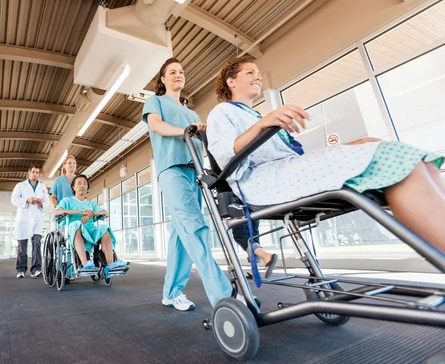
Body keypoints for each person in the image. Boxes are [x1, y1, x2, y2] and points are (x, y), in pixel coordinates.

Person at [206, 56, 445, 254]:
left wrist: (347, 148)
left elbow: (297, 160)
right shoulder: (222, 112)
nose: (258, 76)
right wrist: (264, 124)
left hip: (287, 171)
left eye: (258, 73)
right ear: (231, 82)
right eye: (250, 73)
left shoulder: (255, 116)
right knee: (390, 160)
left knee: (418, 161)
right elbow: (226, 156)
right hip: (261, 180)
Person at [142, 57, 236, 312]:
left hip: (194, 172)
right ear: (162, 79)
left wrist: (201, 131)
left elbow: (201, 141)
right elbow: (156, 126)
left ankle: (172, 293)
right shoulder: (156, 102)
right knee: (195, 227)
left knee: (181, 236)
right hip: (171, 170)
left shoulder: (192, 113)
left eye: (181, 72)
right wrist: (188, 128)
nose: (177, 75)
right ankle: (224, 295)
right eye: (171, 72)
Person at [54, 174, 127, 278]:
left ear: (87, 188)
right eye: (79, 183)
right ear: (73, 187)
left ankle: (110, 266)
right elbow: (57, 212)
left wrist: (91, 213)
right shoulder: (67, 201)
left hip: (89, 230)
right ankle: (85, 264)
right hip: (71, 229)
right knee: (76, 224)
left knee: (104, 228)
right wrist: (79, 212)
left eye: (85, 184)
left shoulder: (91, 204)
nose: (82, 186)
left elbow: (105, 213)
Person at [11, 164, 50, 278]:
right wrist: (27, 200)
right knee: (22, 245)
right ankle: (21, 269)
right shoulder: (20, 185)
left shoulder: (42, 187)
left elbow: (47, 202)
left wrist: (42, 203)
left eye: (37, 172)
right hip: (24, 218)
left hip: (37, 217)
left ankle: (36, 269)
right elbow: (14, 199)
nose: (35, 174)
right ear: (29, 172)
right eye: (33, 172)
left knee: (37, 243)